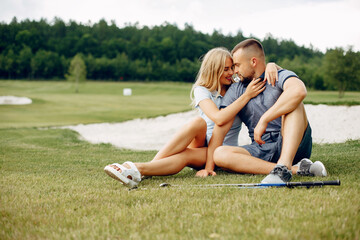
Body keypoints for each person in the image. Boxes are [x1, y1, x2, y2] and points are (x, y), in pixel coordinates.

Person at [103, 47, 279, 188]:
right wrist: (246, 97)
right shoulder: (202, 89)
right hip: (202, 142)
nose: (231, 72)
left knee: (185, 155)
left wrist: (272, 65)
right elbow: (218, 118)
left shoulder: (237, 88)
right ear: (214, 70)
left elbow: (259, 70)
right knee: (197, 122)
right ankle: (141, 170)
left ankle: (137, 169)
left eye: (232, 67)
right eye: (225, 69)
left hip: (222, 151)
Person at [205, 39, 327, 184]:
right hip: (261, 147)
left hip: (292, 143)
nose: (234, 71)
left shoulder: (279, 74)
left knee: (295, 104)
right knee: (220, 154)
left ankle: (284, 164)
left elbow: (299, 91)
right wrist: (209, 166)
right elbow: (221, 126)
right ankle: (293, 169)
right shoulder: (236, 89)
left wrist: (265, 119)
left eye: (237, 65)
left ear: (253, 62)